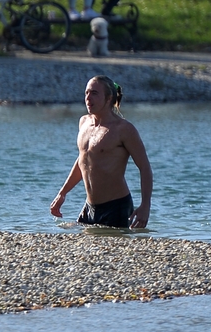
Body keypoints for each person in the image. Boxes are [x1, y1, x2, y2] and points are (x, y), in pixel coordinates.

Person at [50, 75, 152, 229]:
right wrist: (62, 193)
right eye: (86, 93)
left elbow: (145, 168)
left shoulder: (123, 129)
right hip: (89, 207)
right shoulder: (84, 122)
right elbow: (83, 161)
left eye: (94, 93)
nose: (88, 98)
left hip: (116, 207)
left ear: (109, 98)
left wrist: (145, 206)